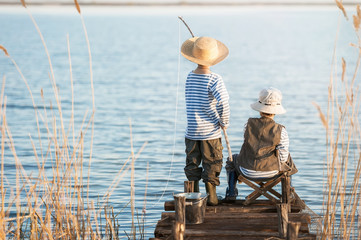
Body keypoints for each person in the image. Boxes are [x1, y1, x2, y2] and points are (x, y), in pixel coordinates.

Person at [181, 36, 230, 206]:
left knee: (192, 165)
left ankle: (194, 199)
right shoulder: (214, 79)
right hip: (210, 132)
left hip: (192, 131)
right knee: (212, 163)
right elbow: (223, 101)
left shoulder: (189, 77)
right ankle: (212, 198)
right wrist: (224, 121)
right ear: (213, 58)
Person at [226, 87, 297, 197]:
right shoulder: (281, 130)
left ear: (260, 109)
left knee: (231, 160)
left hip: (246, 170)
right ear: (275, 111)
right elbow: (282, 156)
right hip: (271, 172)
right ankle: (288, 192)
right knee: (287, 158)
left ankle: (231, 192)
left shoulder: (248, 124)